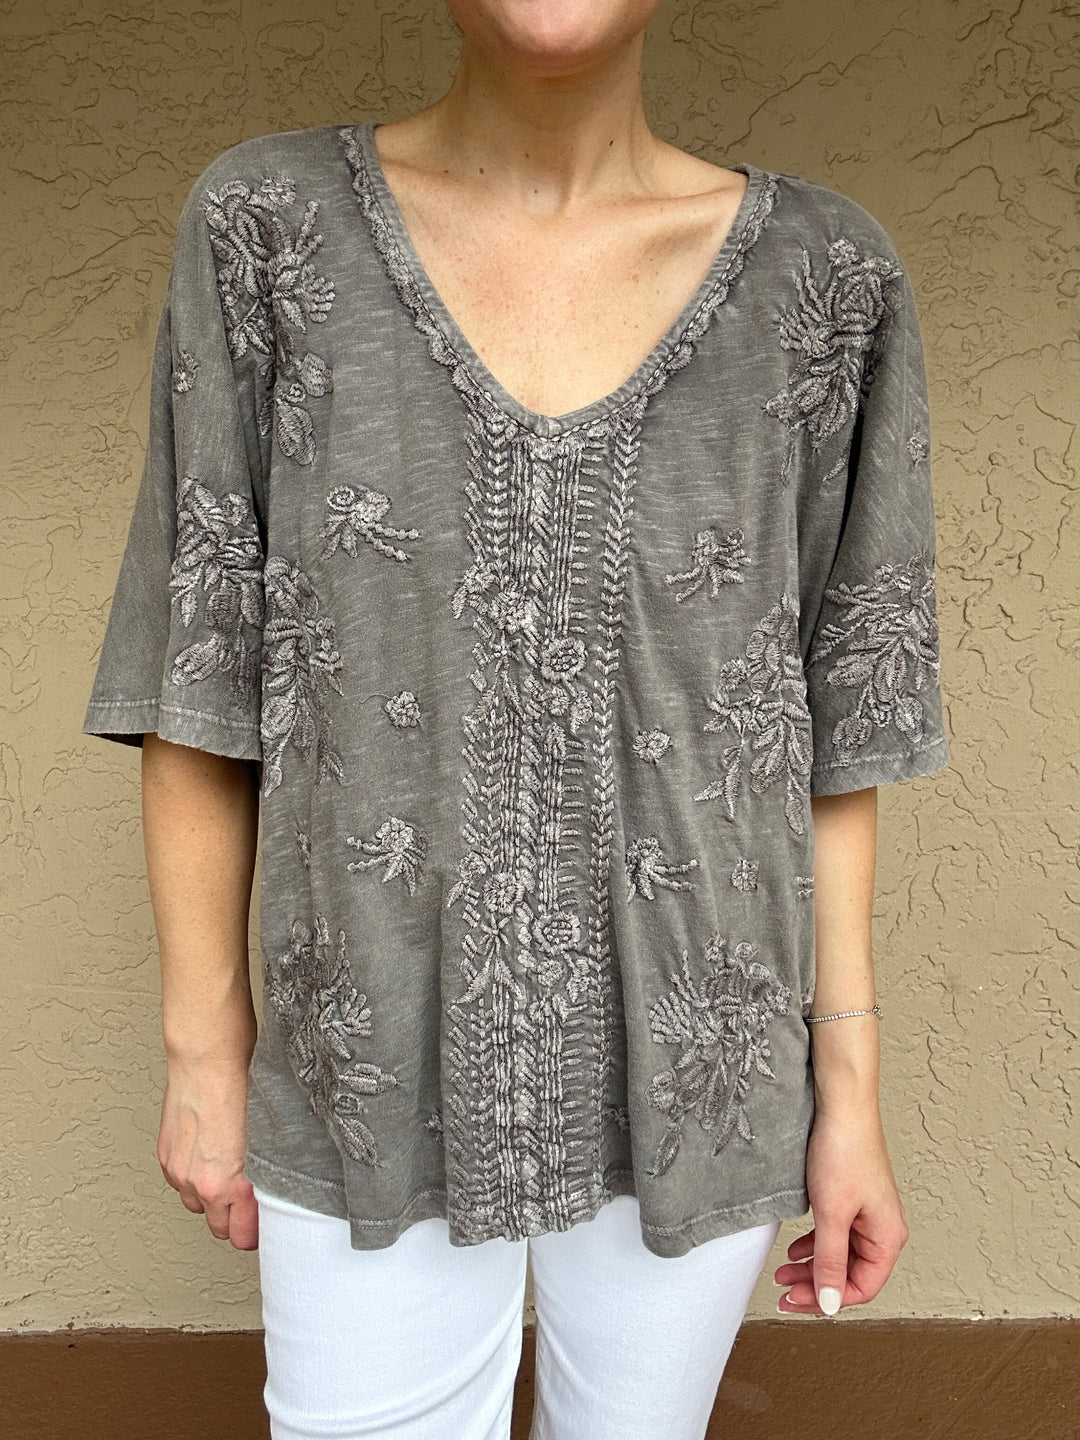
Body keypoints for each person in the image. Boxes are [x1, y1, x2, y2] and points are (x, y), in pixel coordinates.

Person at [82, 2, 951, 1437]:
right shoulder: (268, 232)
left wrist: (848, 1090)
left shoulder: (826, 280)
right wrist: (202, 1051)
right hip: (363, 1063)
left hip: (705, 1067)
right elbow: (200, 669)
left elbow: (832, 732)